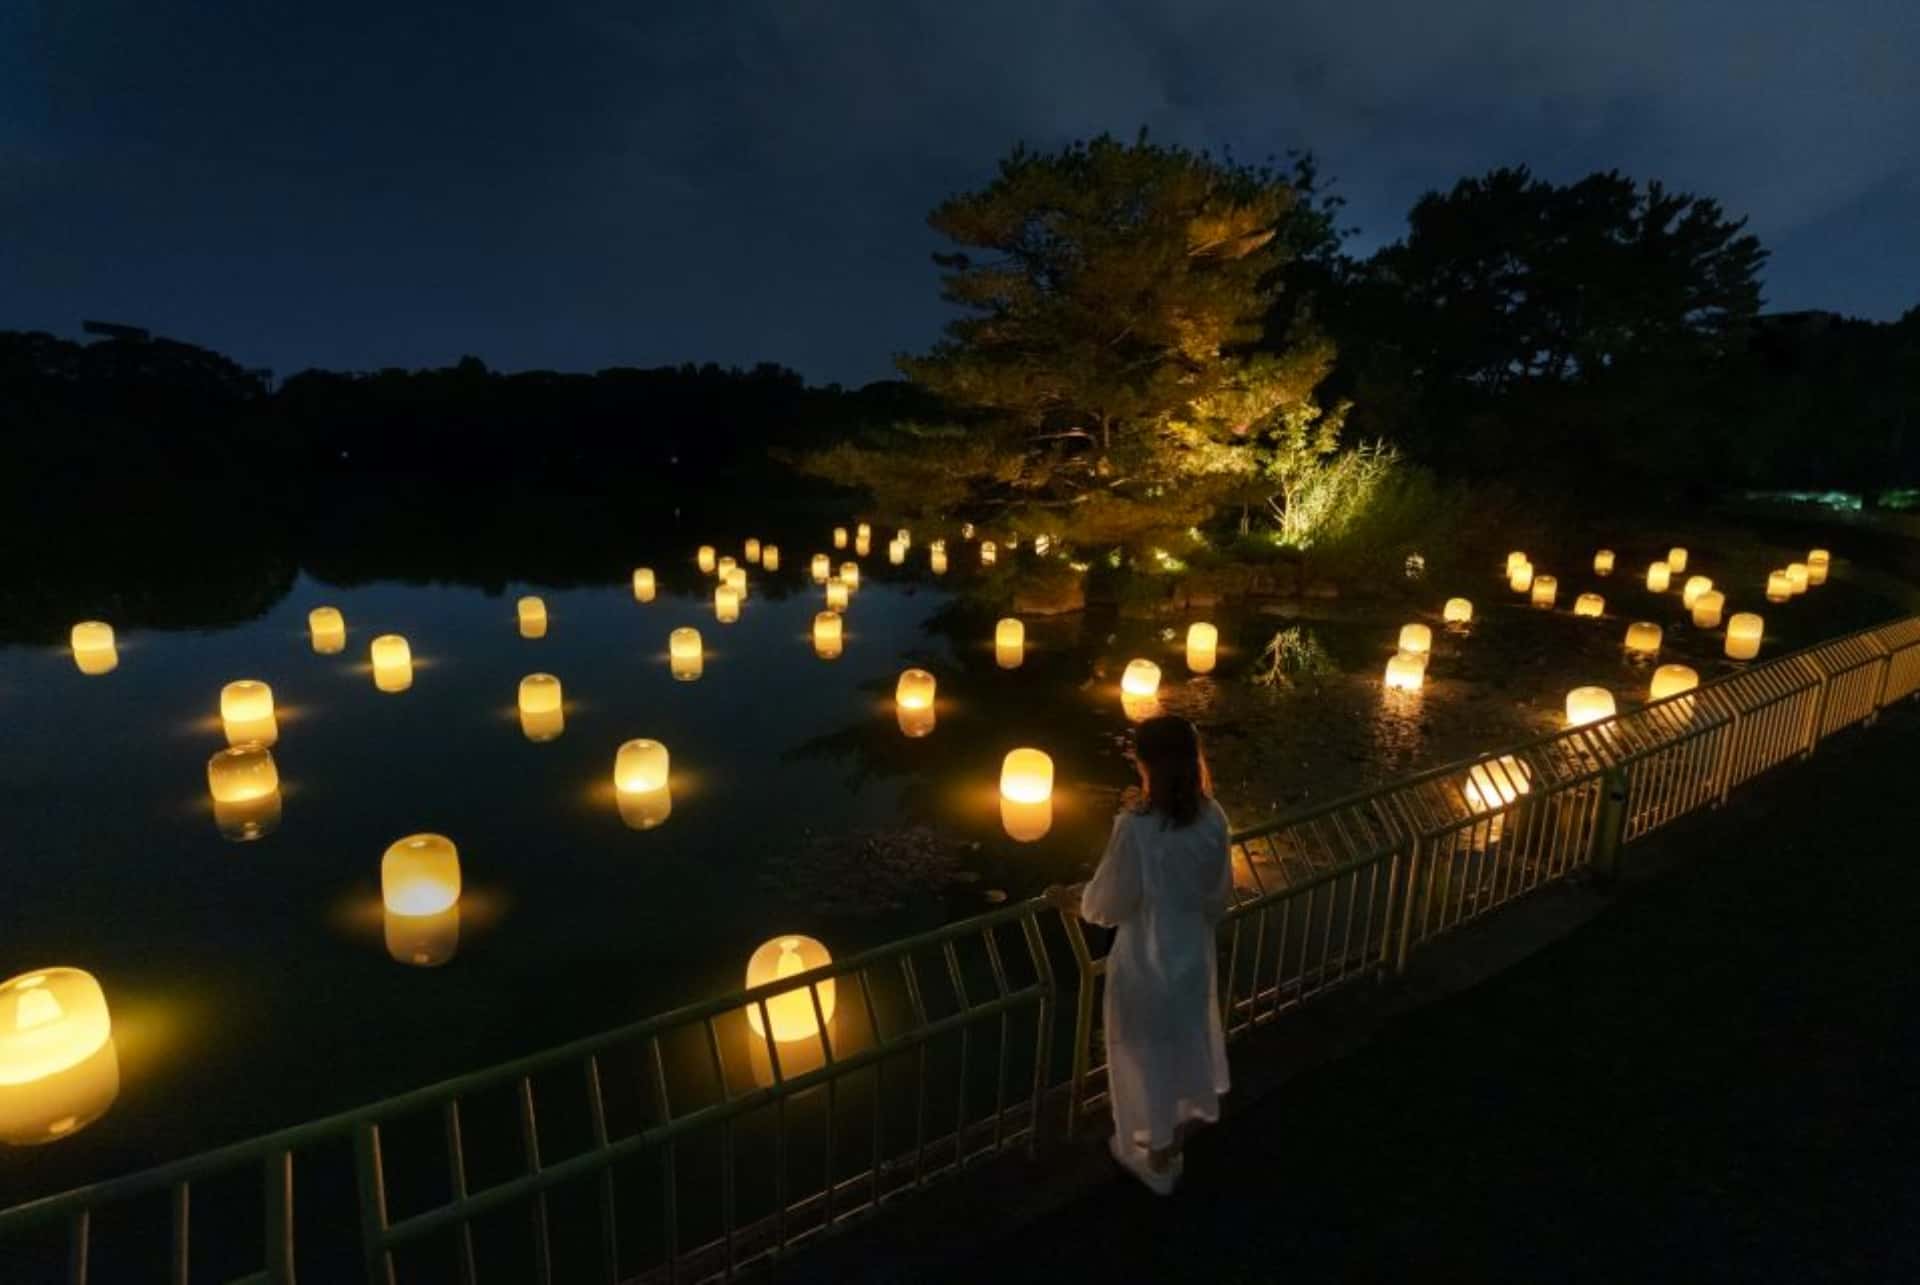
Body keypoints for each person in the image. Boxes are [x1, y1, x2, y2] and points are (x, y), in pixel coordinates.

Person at [1046, 715, 1232, 1195]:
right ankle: (1170, 1144)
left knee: (1143, 1052)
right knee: (1183, 1043)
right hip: (1192, 950)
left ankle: (1155, 1156)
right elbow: (1218, 896)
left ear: (1143, 764)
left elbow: (1108, 903)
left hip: (1146, 959)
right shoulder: (1214, 818)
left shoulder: (1137, 829)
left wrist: (1075, 902)